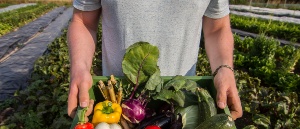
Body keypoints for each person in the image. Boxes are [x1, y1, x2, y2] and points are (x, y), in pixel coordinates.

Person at [67, 0, 243, 120]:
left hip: (181, 103)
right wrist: (79, 68)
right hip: (117, 106)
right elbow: (83, 21)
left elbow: (217, 28)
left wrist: (224, 68)